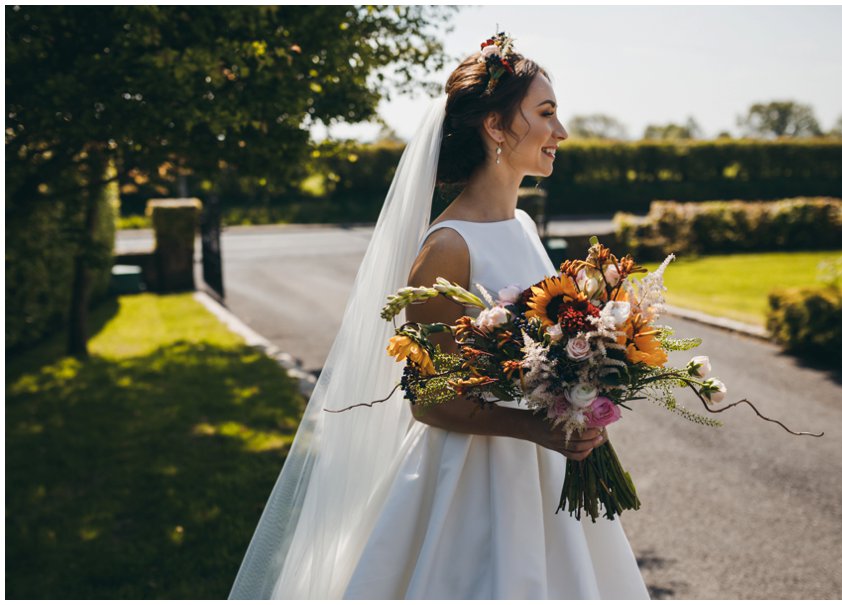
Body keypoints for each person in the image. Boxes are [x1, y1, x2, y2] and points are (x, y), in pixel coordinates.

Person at [230, 37, 649, 599]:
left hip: (546, 470)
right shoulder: (447, 248)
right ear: (497, 127)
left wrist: (585, 380)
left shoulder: (522, 225)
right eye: (545, 114)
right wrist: (538, 425)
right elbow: (429, 399)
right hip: (474, 483)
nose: (561, 132)